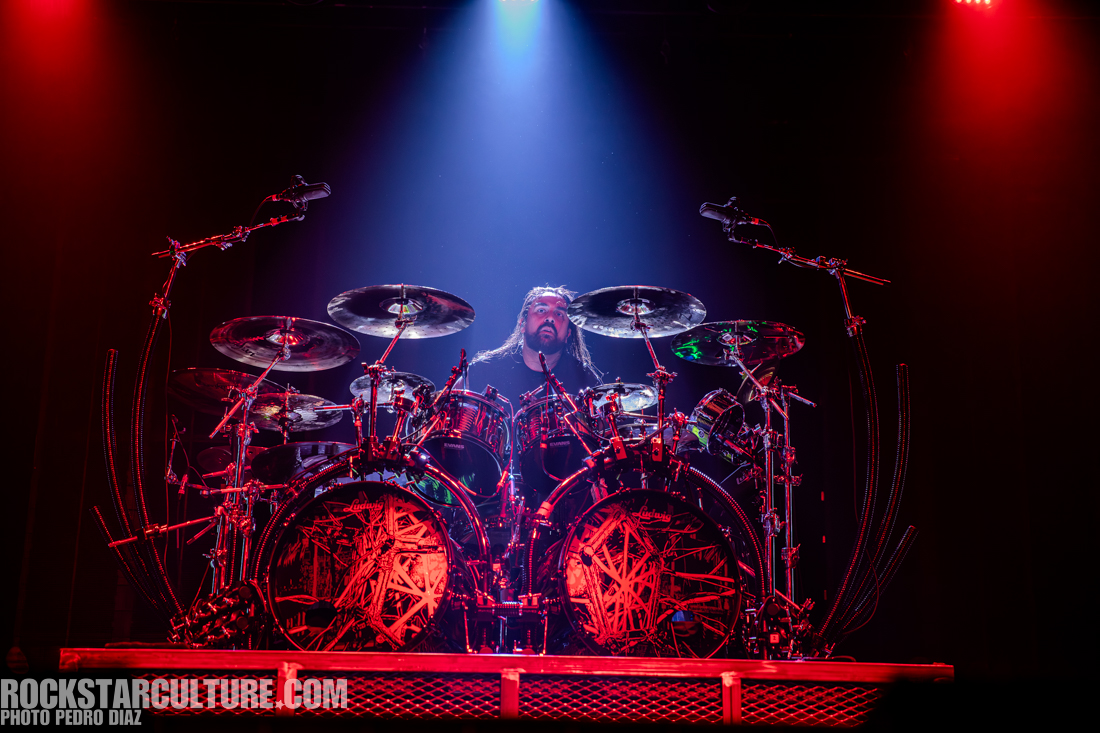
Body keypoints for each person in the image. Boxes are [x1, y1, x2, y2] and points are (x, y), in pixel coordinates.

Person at [462, 285, 601, 409]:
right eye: (541, 310)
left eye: (559, 314)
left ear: (568, 334)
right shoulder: (482, 371)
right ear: (522, 325)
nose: (550, 318)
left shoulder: (586, 381)